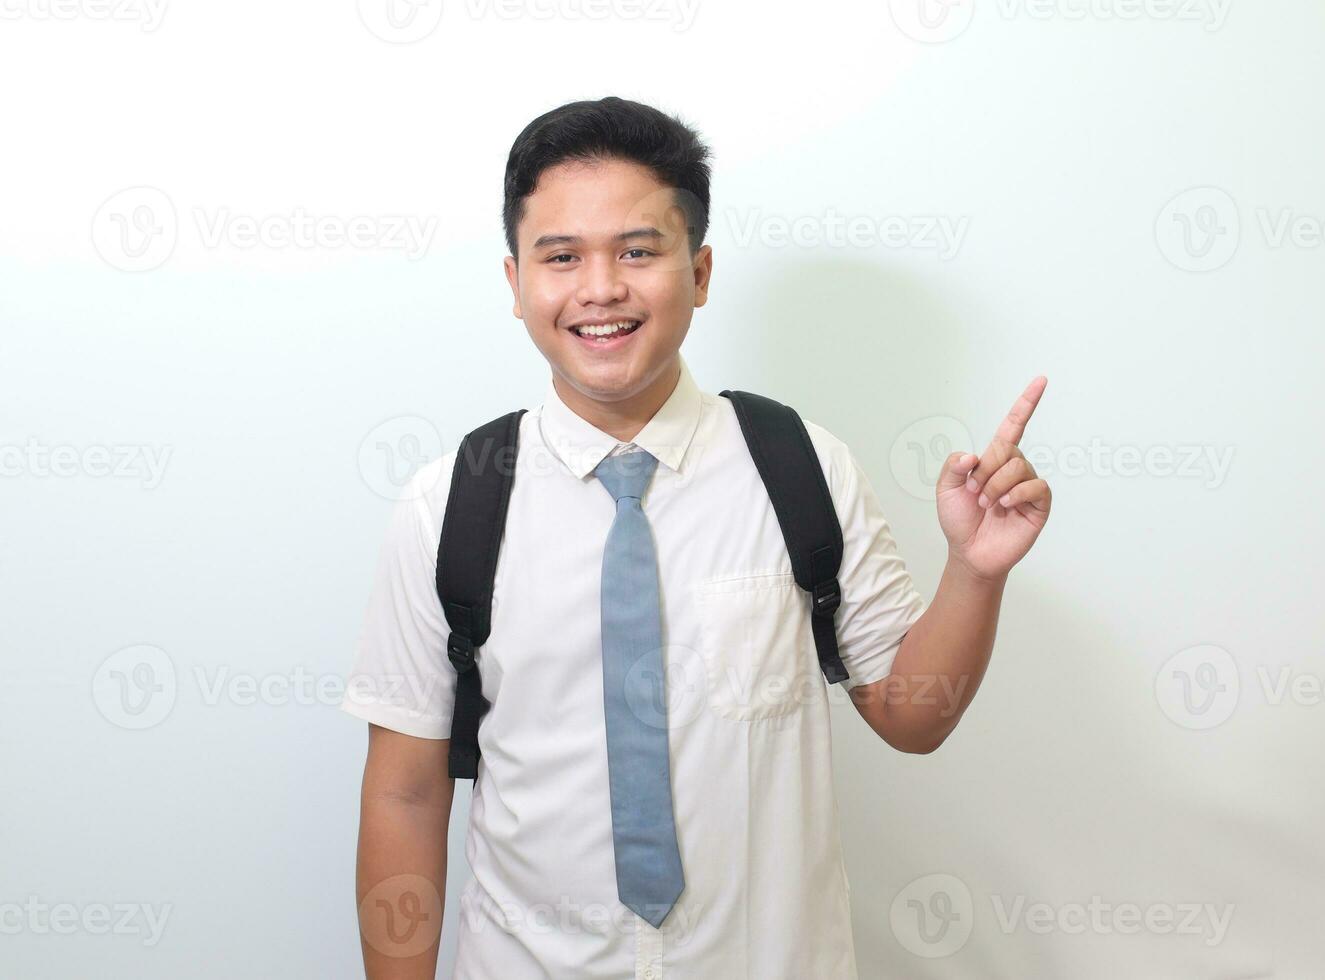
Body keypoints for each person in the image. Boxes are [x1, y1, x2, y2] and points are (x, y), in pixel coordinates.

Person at [342, 95, 1052, 979]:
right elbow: (405, 795)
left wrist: (974, 574)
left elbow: (914, 718)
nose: (601, 288)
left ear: (701, 269)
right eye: (561, 257)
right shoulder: (449, 504)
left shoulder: (799, 468)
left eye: (639, 251)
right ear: (516, 282)